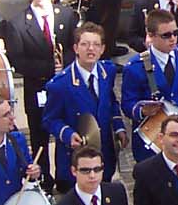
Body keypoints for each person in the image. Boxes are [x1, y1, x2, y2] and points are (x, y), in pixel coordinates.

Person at [5, 0, 76, 176]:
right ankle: (43, 178)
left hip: (65, 84)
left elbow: (74, 46)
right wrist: (48, 69)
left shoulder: (66, 14)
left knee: (66, 128)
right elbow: (17, 61)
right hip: (37, 87)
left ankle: (66, 176)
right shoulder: (17, 23)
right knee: (39, 135)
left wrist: (66, 63)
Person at [43, 23, 129, 187]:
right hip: (76, 159)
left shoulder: (108, 72)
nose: (91, 49)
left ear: (103, 49)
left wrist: (119, 127)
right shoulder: (60, 84)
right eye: (85, 44)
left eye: (96, 44)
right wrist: (68, 135)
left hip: (104, 155)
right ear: (76, 48)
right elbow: (50, 120)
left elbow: (111, 102)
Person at [123, 10, 178, 152]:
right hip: (155, 137)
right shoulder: (135, 67)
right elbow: (128, 103)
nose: (173, 39)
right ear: (151, 36)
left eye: (175, 33)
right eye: (166, 35)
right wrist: (142, 110)